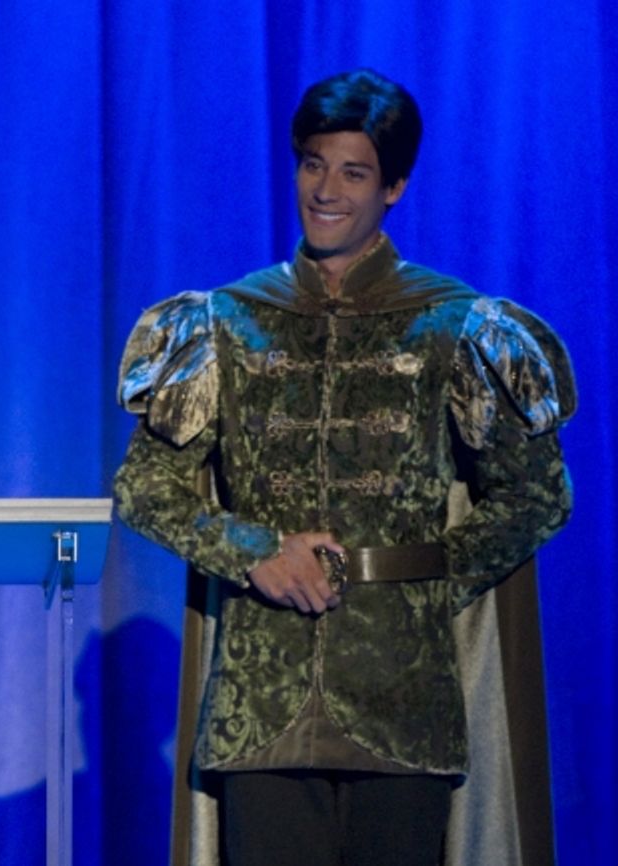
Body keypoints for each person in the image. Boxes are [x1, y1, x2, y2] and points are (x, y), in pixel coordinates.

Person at [113, 69, 574, 866]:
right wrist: (256, 552)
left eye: (353, 171)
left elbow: (538, 495)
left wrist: (431, 581)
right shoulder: (227, 322)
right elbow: (145, 488)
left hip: (404, 703)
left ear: (394, 186)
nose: (326, 189)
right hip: (264, 710)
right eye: (312, 164)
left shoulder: (453, 326)